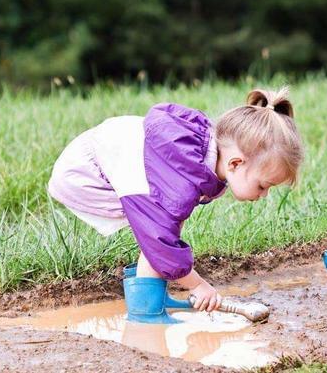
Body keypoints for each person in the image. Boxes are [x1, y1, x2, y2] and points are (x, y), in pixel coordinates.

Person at [47, 87, 304, 323]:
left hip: (109, 153)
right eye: (263, 185)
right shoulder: (181, 180)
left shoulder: (203, 155)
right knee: (158, 231)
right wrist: (197, 285)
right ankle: (145, 313)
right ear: (236, 164)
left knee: (164, 222)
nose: (264, 195)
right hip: (85, 174)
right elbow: (160, 240)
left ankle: (151, 294)